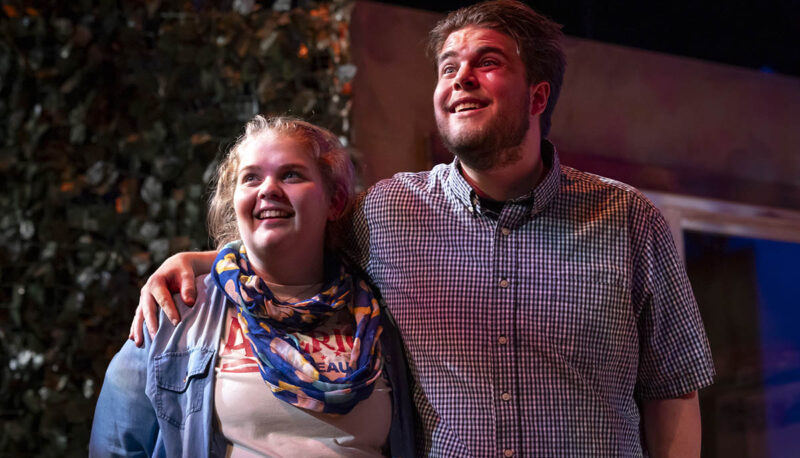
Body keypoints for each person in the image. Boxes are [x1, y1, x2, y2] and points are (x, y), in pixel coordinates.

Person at [130, 1, 715, 456]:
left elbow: (673, 388)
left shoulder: (629, 219)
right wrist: (202, 261)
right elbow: (292, 247)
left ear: (538, 95)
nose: (461, 78)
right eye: (448, 68)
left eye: (487, 62)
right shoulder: (387, 213)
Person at [90, 116, 415, 457]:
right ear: (236, 202)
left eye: (291, 174)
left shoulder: (380, 313)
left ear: (333, 202)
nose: (268, 189)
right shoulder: (179, 311)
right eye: (251, 178)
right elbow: (114, 446)